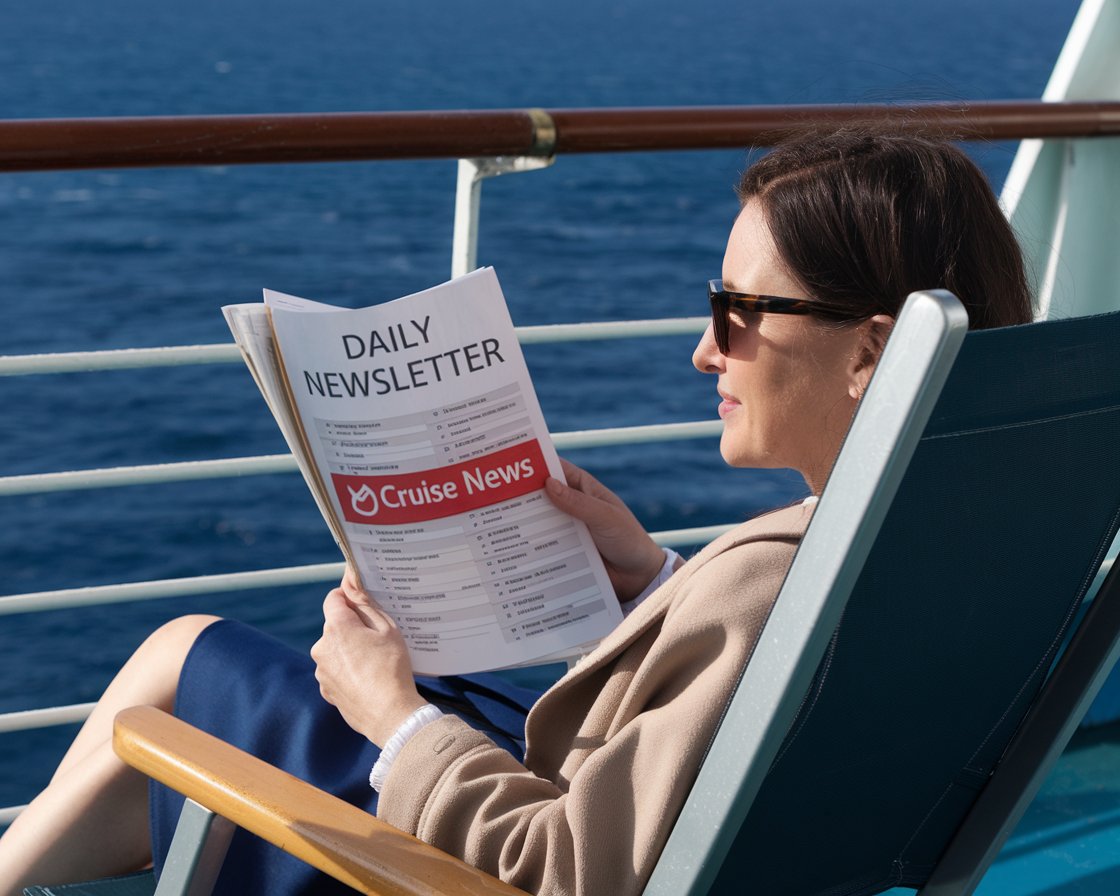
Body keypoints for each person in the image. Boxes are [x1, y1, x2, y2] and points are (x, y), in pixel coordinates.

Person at [0, 130, 1033, 896]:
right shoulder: (965, 540)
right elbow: (752, 711)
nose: (705, 350)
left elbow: (559, 869)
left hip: (478, 861)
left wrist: (390, 717)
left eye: (739, 312)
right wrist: (653, 576)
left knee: (181, 666)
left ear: (868, 352)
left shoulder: (774, 587)